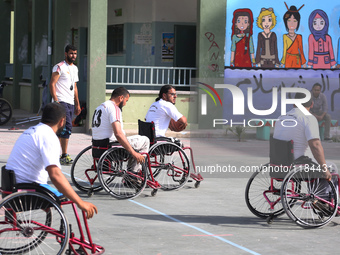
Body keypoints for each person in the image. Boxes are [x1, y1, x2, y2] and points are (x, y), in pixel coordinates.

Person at [5, 103, 97, 219]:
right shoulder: (48, 136)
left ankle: (62, 232)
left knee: (58, 194)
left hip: (12, 185)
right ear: (62, 121)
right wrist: (80, 202)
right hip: (28, 188)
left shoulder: (31, 130)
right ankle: (65, 233)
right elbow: (55, 175)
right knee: (66, 197)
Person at [273, 92, 337, 183]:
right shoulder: (308, 118)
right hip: (297, 167)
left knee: (311, 160)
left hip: (278, 165)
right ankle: (321, 196)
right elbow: (315, 146)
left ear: (294, 103)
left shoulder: (281, 118)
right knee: (332, 167)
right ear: (311, 104)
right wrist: (324, 168)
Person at [91, 87, 149, 171]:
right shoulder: (114, 108)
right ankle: (134, 173)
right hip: (111, 146)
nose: (125, 104)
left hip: (97, 146)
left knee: (134, 141)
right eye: (126, 100)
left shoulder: (100, 107)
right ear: (121, 98)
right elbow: (118, 134)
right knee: (145, 140)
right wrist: (134, 153)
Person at [49, 44, 81, 165]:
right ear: (66, 53)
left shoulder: (75, 68)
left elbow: (75, 87)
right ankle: (63, 154)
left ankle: (59, 154)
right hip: (61, 101)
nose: (73, 56)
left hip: (70, 102)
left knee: (63, 129)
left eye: (75, 53)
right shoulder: (59, 67)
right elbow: (52, 84)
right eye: (71, 53)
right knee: (67, 127)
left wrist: (77, 104)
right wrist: (56, 100)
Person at [281, 4, 307, 68]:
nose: (292, 23)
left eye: (295, 21)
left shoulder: (299, 37)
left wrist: (303, 63)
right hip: (288, 59)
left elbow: (301, 50)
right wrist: (282, 62)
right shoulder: (285, 36)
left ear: (298, 23)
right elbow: (284, 50)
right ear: (285, 22)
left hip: (297, 60)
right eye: (289, 21)